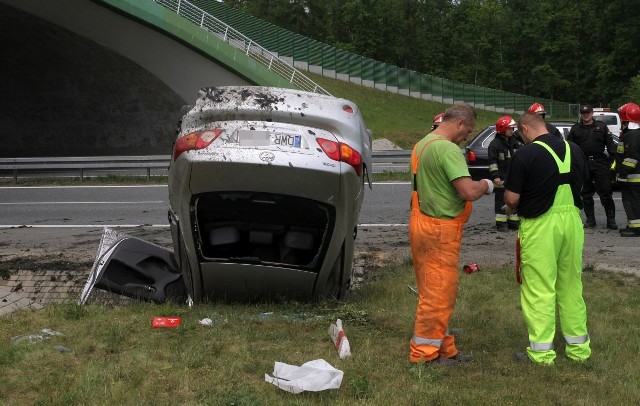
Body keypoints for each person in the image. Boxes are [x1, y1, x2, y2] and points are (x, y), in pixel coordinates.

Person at [409, 104, 494, 365]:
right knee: (439, 294)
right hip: (440, 229)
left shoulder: (423, 144)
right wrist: (486, 185)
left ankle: (445, 348)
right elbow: (467, 191)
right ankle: (424, 355)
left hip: (422, 221)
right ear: (459, 123)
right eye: (467, 132)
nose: (465, 137)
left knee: (432, 291)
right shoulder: (447, 148)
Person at [503, 112, 591, 365]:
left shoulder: (525, 154)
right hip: (572, 222)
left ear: (524, 129)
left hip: (540, 225)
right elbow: (582, 181)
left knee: (539, 287)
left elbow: (511, 199)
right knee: (571, 285)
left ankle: (541, 353)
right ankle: (579, 350)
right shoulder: (574, 149)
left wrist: (510, 208)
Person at [567, 104, 618, 229]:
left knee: (606, 192)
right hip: (583, 164)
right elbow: (569, 148)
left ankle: (611, 220)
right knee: (586, 193)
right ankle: (590, 220)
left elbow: (611, 146)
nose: (586, 115)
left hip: (600, 163)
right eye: (583, 113)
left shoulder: (601, 127)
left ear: (592, 113)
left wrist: (614, 164)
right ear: (581, 114)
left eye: (588, 112)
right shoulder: (575, 129)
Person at [488, 115, 520, 231]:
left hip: (512, 177)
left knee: (514, 199)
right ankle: (501, 224)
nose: (512, 131)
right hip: (500, 178)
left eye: (512, 129)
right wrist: (495, 176)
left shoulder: (513, 142)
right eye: (509, 129)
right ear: (502, 129)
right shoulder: (495, 145)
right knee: (501, 200)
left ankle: (514, 222)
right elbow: (492, 162)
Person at [616, 102, 640, 237]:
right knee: (633, 202)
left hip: (633, 177)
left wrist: (621, 174)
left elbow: (632, 158)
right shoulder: (631, 133)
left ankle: (636, 229)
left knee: (633, 203)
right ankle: (633, 225)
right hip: (632, 177)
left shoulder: (632, 135)